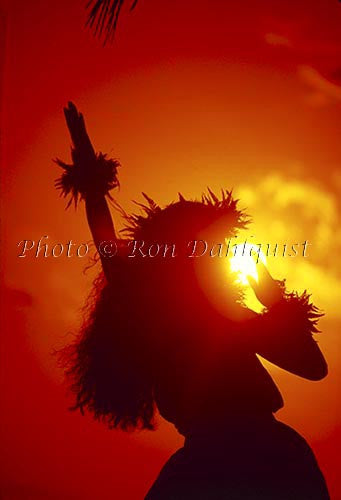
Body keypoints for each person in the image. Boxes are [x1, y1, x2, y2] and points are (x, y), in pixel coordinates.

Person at [56, 102, 330, 499]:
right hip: (229, 456)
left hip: (264, 454)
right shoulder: (181, 314)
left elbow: (313, 368)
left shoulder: (223, 318)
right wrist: (89, 173)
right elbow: (107, 243)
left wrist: (275, 303)